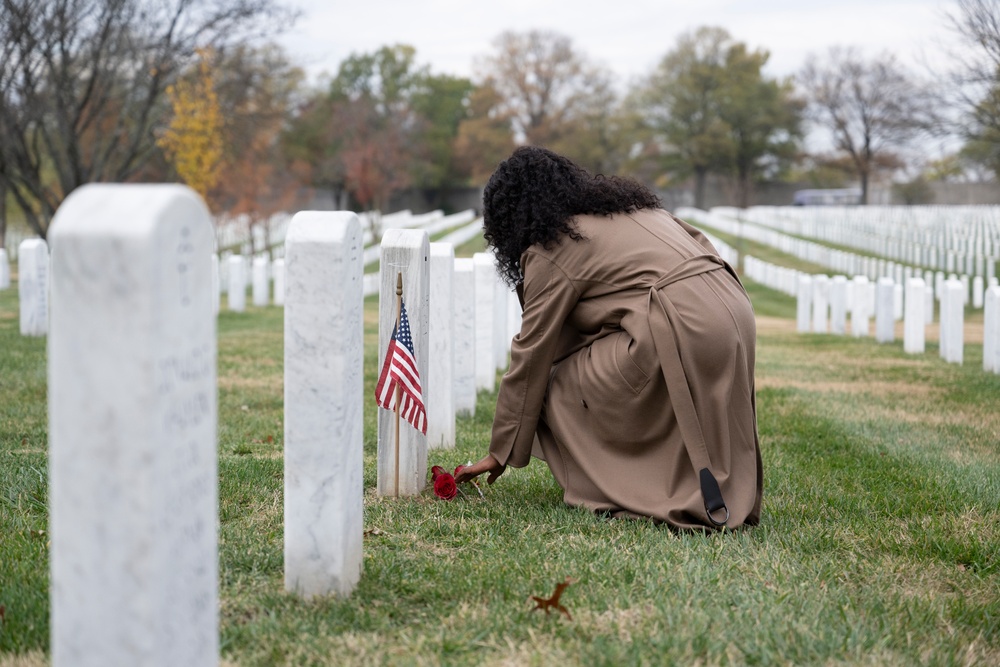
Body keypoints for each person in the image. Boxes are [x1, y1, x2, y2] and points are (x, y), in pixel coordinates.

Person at [455, 146, 762, 530]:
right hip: (734, 313)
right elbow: (700, 250)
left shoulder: (552, 247)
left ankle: (625, 488)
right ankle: (710, 488)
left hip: (679, 324)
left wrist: (499, 451)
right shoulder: (642, 211)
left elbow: (532, 351)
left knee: (556, 385)